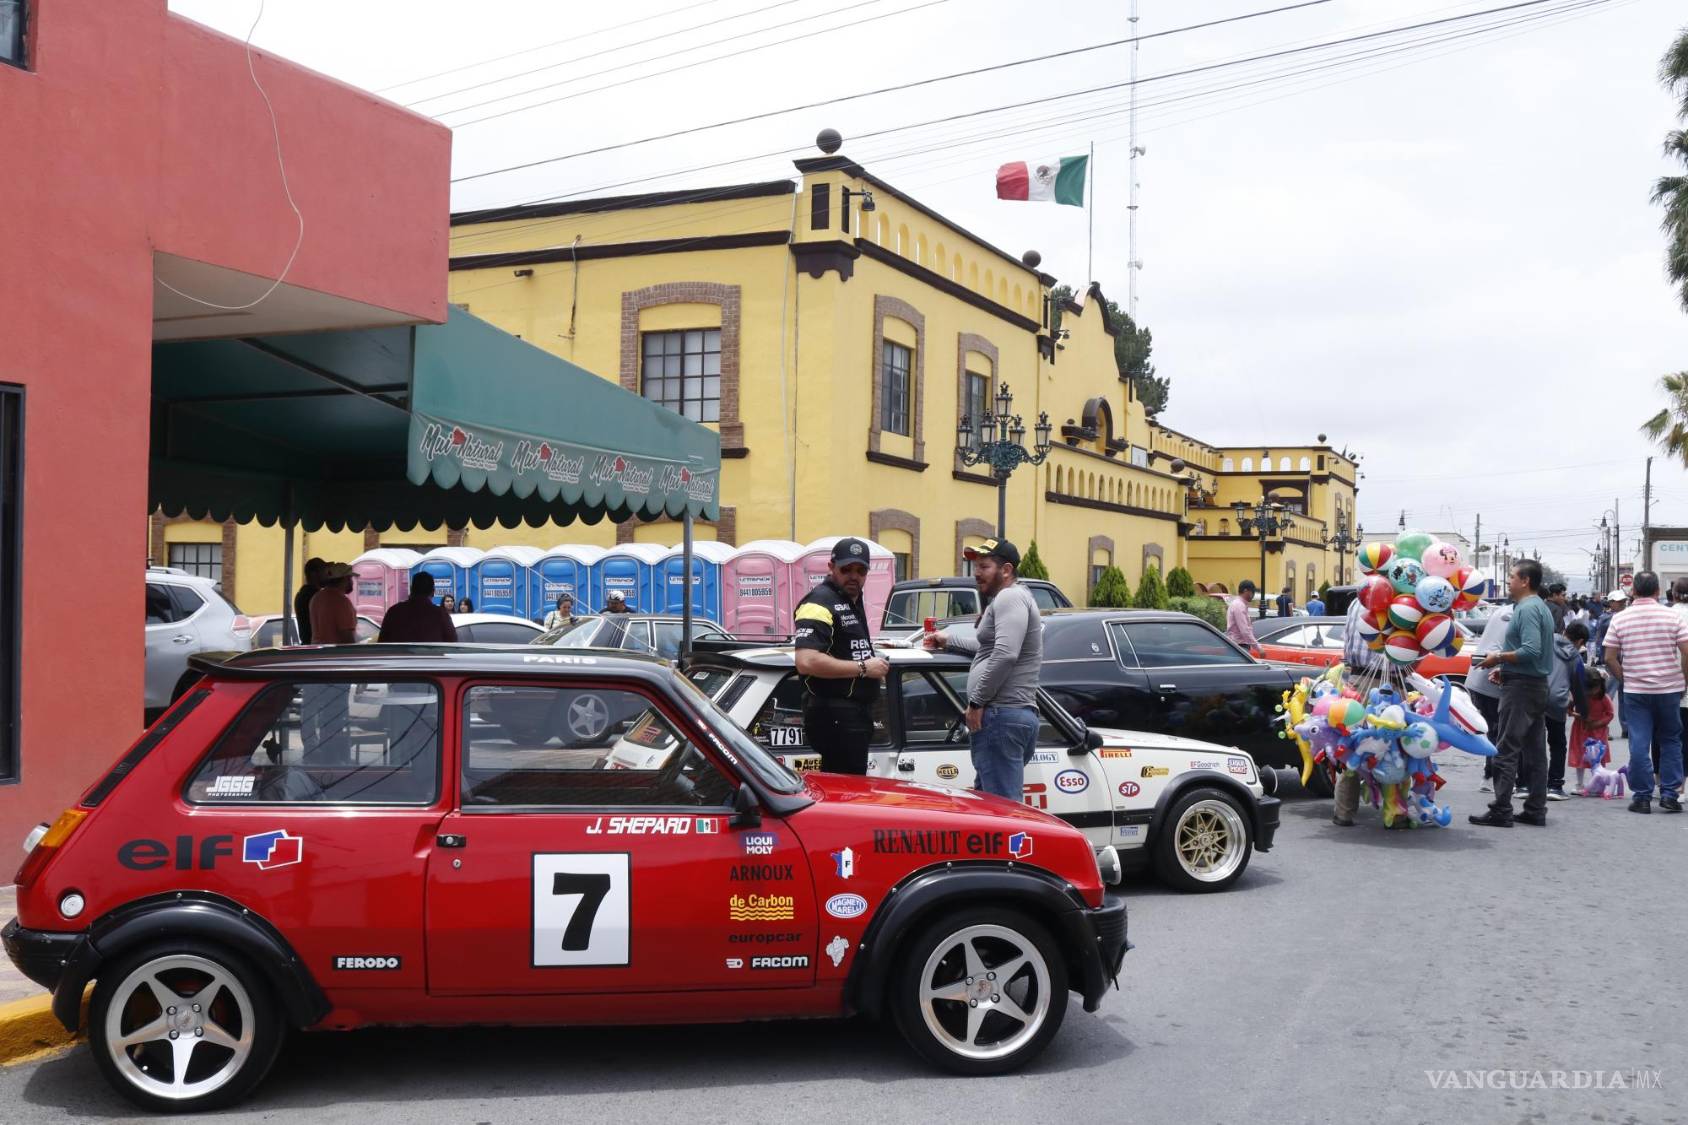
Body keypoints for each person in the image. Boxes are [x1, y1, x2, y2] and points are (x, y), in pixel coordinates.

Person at [924, 537, 1044, 800]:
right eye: (975, 567)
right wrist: (949, 640)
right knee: (988, 807)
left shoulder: (1009, 598)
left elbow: (1005, 654)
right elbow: (989, 648)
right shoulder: (1013, 597)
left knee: (1003, 812)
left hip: (1000, 716)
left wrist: (977, 702)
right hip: (1007, 716)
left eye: (984, 567)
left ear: (1006, 570)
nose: (977, 574)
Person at [1469, 560, 1555, 828]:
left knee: (1506, 749)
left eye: (1512, 577)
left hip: (1522, 688)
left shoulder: (1528, 609)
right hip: (1532, 683)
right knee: (1535, 750)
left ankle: (1501, 808)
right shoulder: (1538, 607)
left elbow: (1531, 649)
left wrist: (1498, 658)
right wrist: (1505, 667)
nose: (1509, 581)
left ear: (1525, 581)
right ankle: (1535, 808)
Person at [792, 538, 887, 774]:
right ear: (831, 567)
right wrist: (864, 668)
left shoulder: (850, 599)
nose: (854, 576)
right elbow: (806, 661)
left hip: (852, 716)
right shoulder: (819, 602)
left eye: (860, 570)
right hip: (835, 717)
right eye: (846, 569)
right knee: (847, 795)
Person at [1602, 570, 1688, 814]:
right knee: (1671, 740)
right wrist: (1683, 681)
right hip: (1669, 689)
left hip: (1636, 690)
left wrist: (1625, 678)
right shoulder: (1672, 617)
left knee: (1639, 742)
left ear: (1633, 591)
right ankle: (1670, 794)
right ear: (1659, 592)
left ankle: (1642, 796)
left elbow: (1609, 657)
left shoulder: (1620, 619)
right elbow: (1686, 651)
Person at [1464, 602, 1513, 793]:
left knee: (1493, 731)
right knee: (1499, 732)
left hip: (1479, 679)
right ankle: (1493, 776)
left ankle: (1489, 776)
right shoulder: (1517, 613)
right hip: (1491, 678)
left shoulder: (1503, 611)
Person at [1545, 622, 1588, 801]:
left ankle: (1524, 783)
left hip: (1535, 695)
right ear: (1580, 641)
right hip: (1557, 703)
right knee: (1557, 744)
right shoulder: (1576, 658)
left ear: (1564, 632)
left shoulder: (1546, 641)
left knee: (1530, 741)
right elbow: (1579, 688)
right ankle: (1554, 786)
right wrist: (1584, 712)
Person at [377, 573, 459, 643]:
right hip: (432, 660)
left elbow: (382, 644)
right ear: (433, 592)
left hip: (399, 660)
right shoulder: (440, 614)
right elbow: (452, 644)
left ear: (411, 589)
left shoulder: (394, 612)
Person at [1570, 666, 1614, 794]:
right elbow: (1569, 709)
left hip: (1598, 732)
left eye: (1595, 688)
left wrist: (1597, 723)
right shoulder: (1578, 696)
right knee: (1580, 755)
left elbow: (1610, 714)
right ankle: (1579, 783)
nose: (1592, 692)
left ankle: (1600, 783)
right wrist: (1579, 716)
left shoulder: (1604, 698)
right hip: (1580, 730)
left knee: (1598, 757)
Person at [308, 562, 359, 645]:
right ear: (346, 579)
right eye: (350, 578)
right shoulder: (342, 602)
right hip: (335, 654)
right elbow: (347, 638)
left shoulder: (316, 598)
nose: (352, 582)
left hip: (317, 653)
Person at [292, 557, 325, 645]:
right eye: (323, 571)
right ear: (314, 574)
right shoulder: (315, 596)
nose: (327, 574)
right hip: (315, 647)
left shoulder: (302, 594)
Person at [1226, 580, 1261, 652]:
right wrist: (1258, 648)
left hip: (1237, 645)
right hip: (1239, 646)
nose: (1253, 595)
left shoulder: (1239, 604)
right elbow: (1245, 630)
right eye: (1252, 592)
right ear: (1245, 591)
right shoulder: (1239, 605)